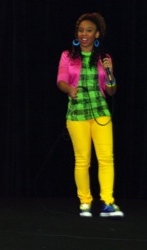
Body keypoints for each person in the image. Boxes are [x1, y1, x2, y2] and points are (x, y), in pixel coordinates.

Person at [56, 12, 123, 218]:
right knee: (82, 160)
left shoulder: (104, 57)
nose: (84, 34)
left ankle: (107, 203)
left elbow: (111, 91)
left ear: (97, 34)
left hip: (100, 113)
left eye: (89, 30)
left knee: (106, 159)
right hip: (77, 114)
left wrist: (110, 74)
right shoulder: (67, 55)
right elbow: (60, 81)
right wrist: (70, 89)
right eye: (81, 30)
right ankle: (85, 202)